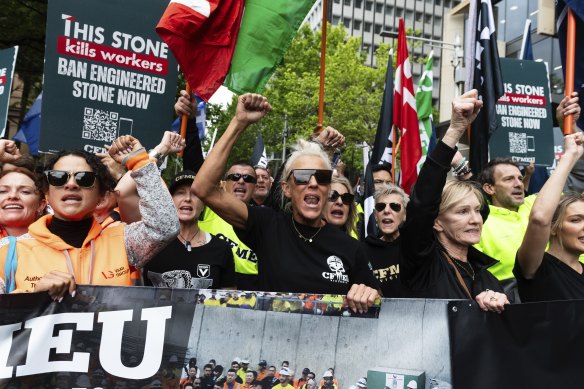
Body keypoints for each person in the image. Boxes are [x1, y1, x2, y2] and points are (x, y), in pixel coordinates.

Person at [193, 94, 378, 312]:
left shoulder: (351, 248)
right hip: (271, 342)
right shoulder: (268, 226)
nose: (312, 183)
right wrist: (239, 123)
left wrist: (368, 294)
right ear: (286, 188)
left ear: (328, 189)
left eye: (322, 178)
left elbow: (378, 300)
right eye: (301, 177)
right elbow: (203, 187)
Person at [0, 135, 179, 298]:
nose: (71, 184)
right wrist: (30, 296)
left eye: (84, 179)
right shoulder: (8, 251)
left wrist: (139, 162)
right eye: (58, 177)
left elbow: (165, 226)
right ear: (46, 192)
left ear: (101, 195)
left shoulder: (123, 241)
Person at [399, 90, 508, 312]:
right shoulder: (424, 263)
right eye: (462, 212)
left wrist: (501, 306)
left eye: (477, 211)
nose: (475, 219)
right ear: (437, 222)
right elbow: (422, 204)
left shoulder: (486, 276)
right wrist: (455, 130)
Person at [474, 92, 580, 295]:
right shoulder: (480, 222)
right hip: (516, 307)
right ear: (489, 188)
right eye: (508, 179)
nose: (518, 183)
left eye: (519, 177)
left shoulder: (537, 202)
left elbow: (579, 178)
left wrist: (568, 127)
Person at [514, 133, 584, 301]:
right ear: (552, 227)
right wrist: (570, 156)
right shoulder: (537, 267)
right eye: (576, 220)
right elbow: (539, 218)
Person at [143, 170, 236, 289]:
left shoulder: (221, 249)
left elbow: (228, 301)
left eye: (195, 194)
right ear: (170, 200)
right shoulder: (151, 241)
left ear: (204, 204)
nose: (187, 198)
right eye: (180, 193)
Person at [361, 184, 410, 297]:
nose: (386, 210)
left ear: (405, 214)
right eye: (380, 207)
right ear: (375, 215)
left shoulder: (415, 247)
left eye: (395, 206)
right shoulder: (363, 251)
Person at [0, 168, 47, 238]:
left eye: (25, 191)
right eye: (2, 191)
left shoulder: (60, 244)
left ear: (40, 205)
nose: (13, 195)